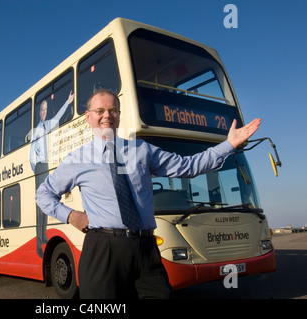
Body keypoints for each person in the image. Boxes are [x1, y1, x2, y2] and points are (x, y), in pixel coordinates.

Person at [35, 89, 261, 298]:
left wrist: (229, 144)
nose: (107, 116)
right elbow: (43, 193)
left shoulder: (142, 150)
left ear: (119, 115)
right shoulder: (77, 159)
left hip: (145, 249)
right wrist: (71, 216)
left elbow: (188, 166)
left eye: (113, 110)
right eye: (100, 111)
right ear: (88, 116)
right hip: (103, 249)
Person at [30, 90, 75, 258]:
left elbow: (58, 116)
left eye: (45, 109)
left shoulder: (49, 124)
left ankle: (43, 235)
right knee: (39, 203)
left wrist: (68, 102)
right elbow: (30, 154)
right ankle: (37, 243)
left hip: (48, 165)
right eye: (42, 109)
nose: (44, 112)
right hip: (40, 167)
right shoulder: (36, 131)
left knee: (46, 201)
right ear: (38, 112)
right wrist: (36, 169)